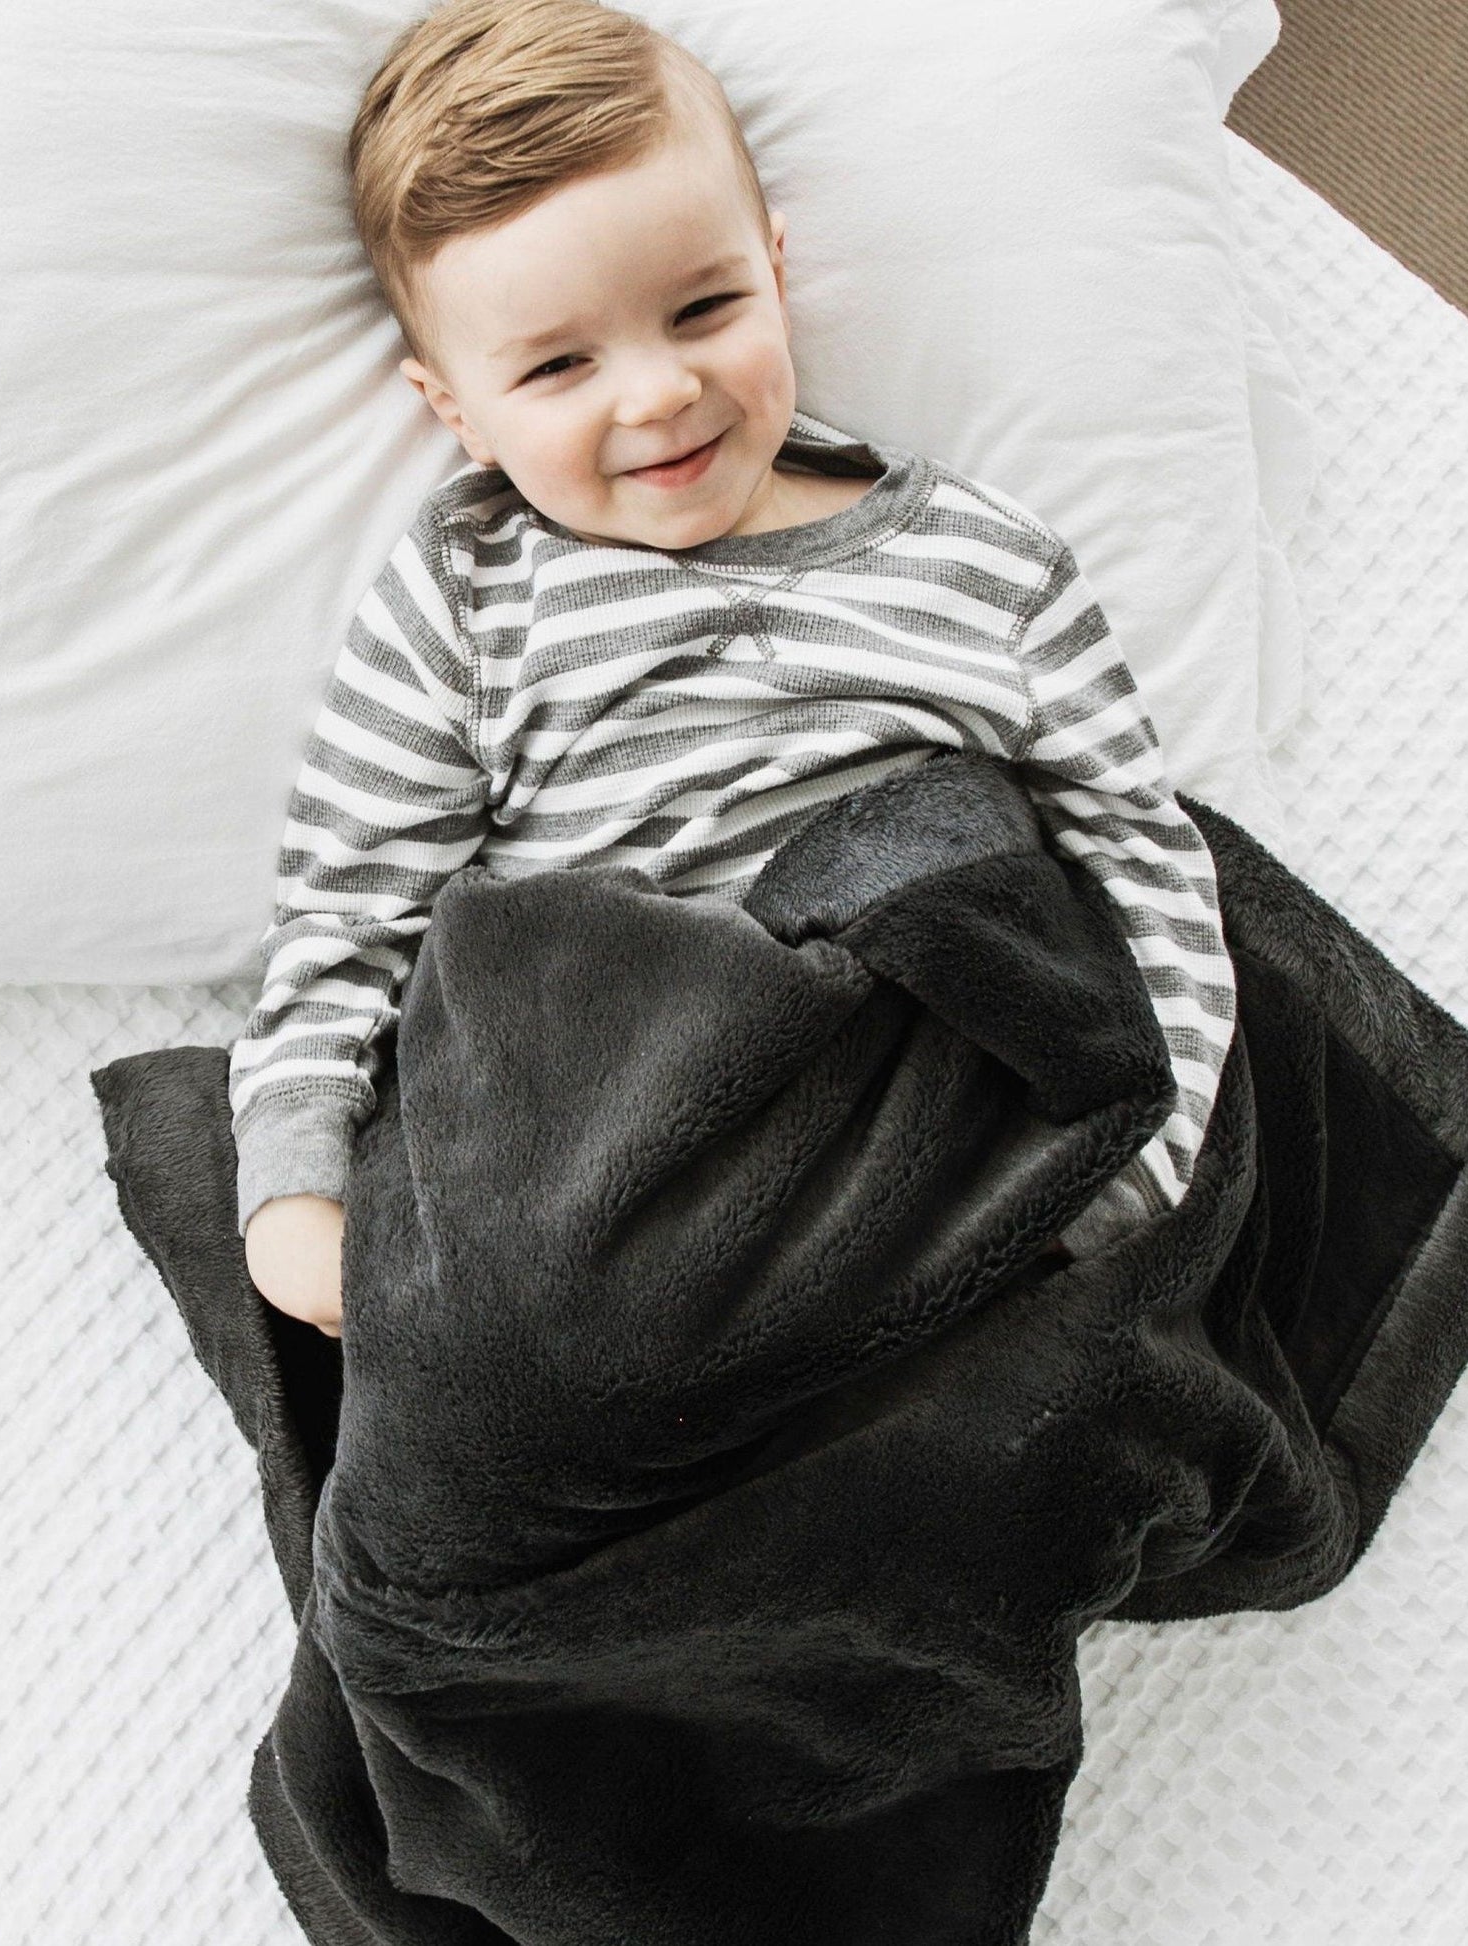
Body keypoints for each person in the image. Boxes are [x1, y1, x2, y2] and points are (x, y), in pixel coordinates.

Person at [234, 0, 1237, 1337]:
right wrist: (295, 1198)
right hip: (620, 1157)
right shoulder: (468, 595)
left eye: (703, 308)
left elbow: (1139, 855)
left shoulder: (982, 566)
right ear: (456, 411)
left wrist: (1135, 1163)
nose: (656, 393)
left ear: (773, 270)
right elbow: (348, 912)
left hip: (946, 1146)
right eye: (559, 365)